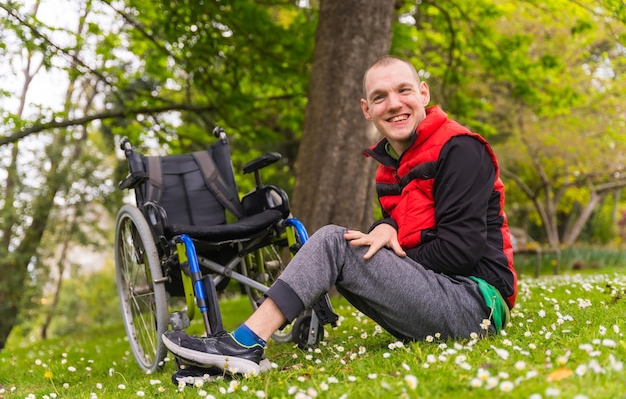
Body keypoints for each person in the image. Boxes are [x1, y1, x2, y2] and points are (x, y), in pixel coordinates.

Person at [162, 55, 518, 376]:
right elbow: (411, 223)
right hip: (439, 297)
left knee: (337, 241)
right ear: (367, 109)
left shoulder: (461, 150)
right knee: (346, 242)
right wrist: (385, 227)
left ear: (423, 94)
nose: (394, 104)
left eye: (403, 90)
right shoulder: (389, 169)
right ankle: (221, 364)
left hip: (476, 305)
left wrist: (387, 253)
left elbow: (460, 252)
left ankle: (244, 345)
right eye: (380, 97)